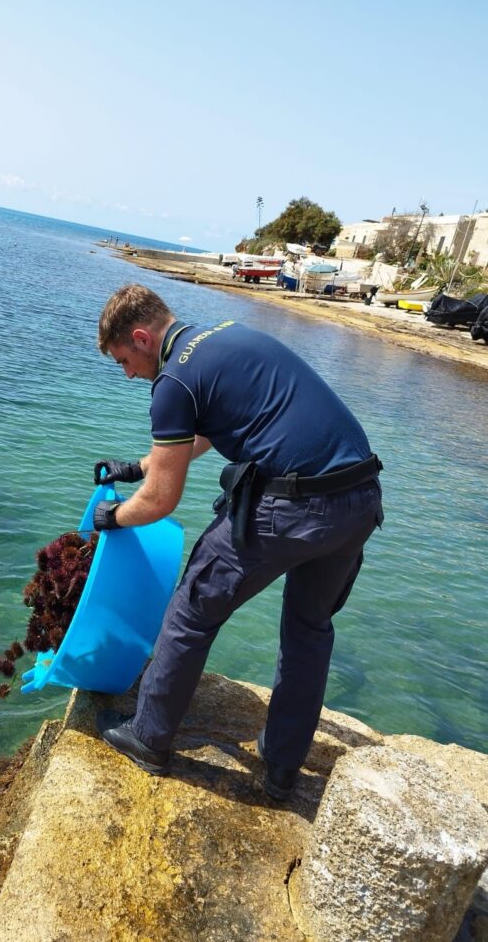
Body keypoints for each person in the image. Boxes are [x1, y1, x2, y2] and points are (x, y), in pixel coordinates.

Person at [92, 283, 383, 800]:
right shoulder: (225, 335)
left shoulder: (172, 381)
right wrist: (138, 465)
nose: (128, 374)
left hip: (293, 510)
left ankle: (149, 738)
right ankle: (282, 767)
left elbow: (160, 502)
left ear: (140, 337)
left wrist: (113, 516)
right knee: (309, 628)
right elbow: (216, 424)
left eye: (123, 361)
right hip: (359, 498)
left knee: (191, 613)